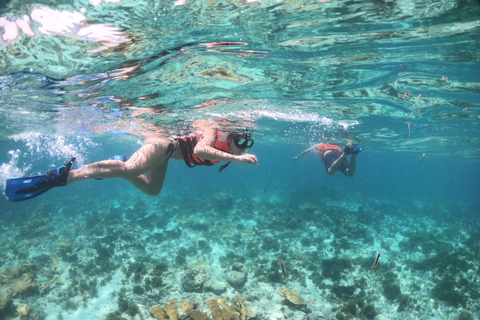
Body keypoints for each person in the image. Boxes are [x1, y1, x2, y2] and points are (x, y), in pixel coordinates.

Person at [6, 121, 257, 202]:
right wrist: (241, 158)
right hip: (165, 144)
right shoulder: (212, 130)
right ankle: (63, 176)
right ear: (230, 135)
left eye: (247, 144)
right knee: (131, 169)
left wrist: (238, 156)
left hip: (167, 155)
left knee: (152, 190)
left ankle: (117, 164)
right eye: (240, 142)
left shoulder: (230, 149)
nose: (241, 148)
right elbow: (202, 149)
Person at [292, 142, 362, 177]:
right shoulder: (335, 144)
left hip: (329, 154)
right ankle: (354, 154)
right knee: (349, 173)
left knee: (330, 172)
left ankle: (344, 154)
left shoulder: (319, 144)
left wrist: (298, 157)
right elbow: (346, 144)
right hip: (338, 154)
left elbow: (306, 151)